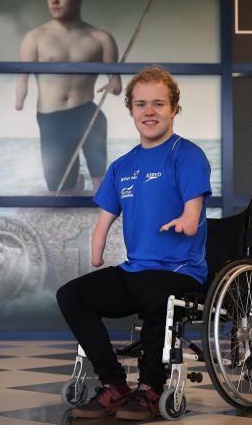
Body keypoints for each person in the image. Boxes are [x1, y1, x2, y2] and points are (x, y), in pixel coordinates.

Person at [56, 66, 212, 420]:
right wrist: (96, 249)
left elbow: (194, 209)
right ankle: (114, 385)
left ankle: (150, 388)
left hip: (179, 270)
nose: (149, 112)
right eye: (141, 104)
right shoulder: (122, 165)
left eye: (159, 103)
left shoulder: (186, 154)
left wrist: (188, 221)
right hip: (135, 271)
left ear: (174, 108)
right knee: (71, 295)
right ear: (131, 110)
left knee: (158, 294)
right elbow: (104, 219)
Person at [15, 0, 122, 194]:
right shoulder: (35, 37)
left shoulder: (101, 38)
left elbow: (116, 85)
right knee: (60, 189)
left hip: (87, 113)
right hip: (52, 118)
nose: (54, 1)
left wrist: (112, 85)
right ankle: (76, 182)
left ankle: (97, 192)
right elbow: (22, 77)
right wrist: (19, 100)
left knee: (100, 183)